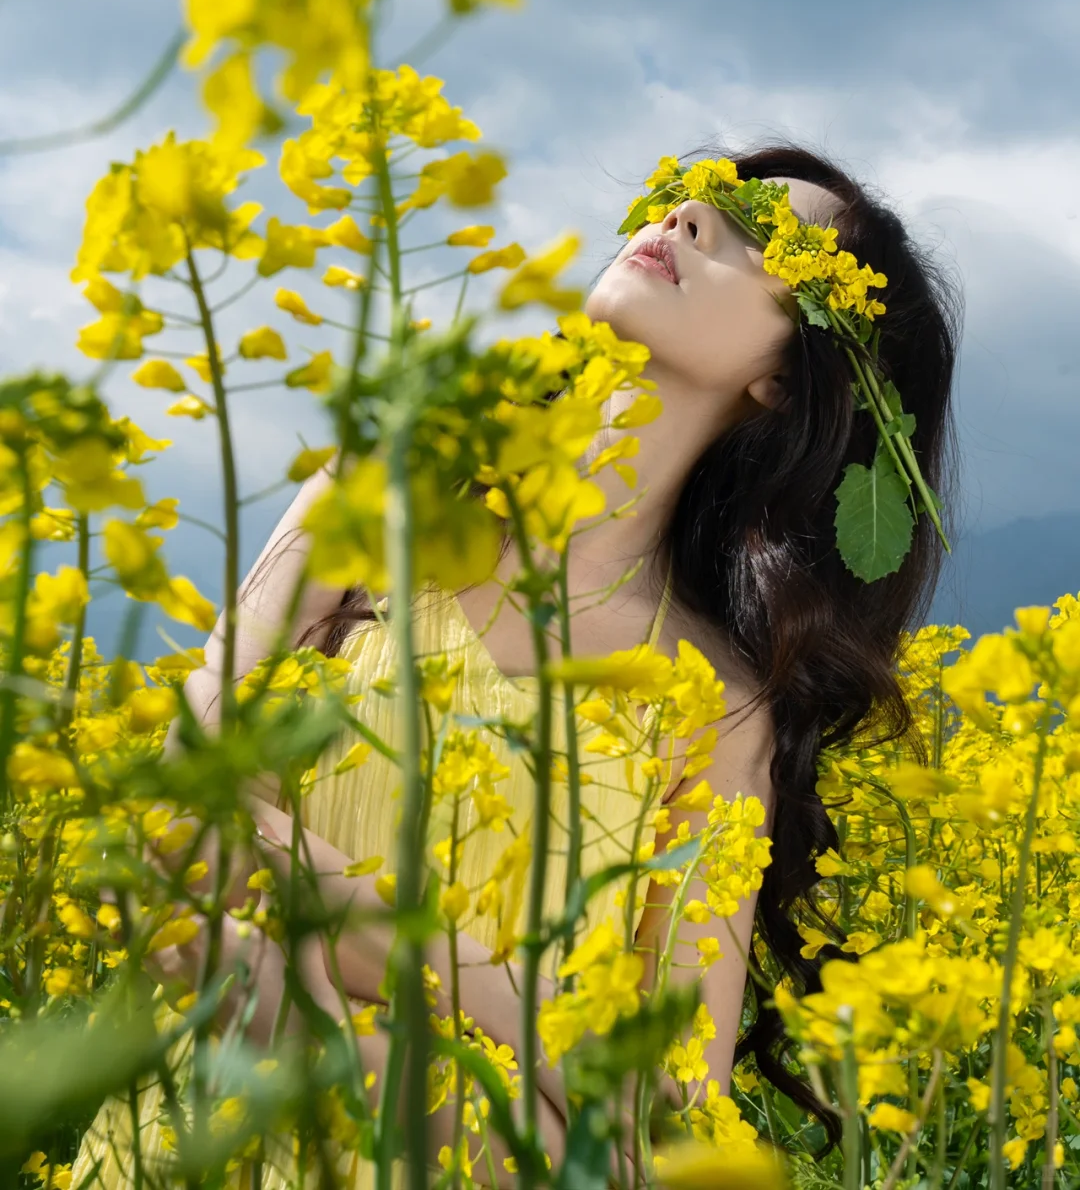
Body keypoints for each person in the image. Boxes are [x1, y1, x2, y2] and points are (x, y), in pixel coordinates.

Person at [71, 141, 960, 1188]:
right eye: (692, 195)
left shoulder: (719, 709)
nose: (686, 219)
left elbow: (659, 1124)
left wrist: (320, 979)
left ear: (781, 376)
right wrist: (524, 1032)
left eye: (760, 237)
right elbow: (181, 812)